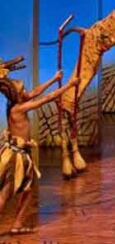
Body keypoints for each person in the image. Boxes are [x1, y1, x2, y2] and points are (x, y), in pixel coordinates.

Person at [0, 68, 79, 234]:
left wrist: (54, 78)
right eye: (23, 90)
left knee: (28, 190)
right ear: (17, 96)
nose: (27, 91)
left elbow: (36, 92)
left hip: (21, 154)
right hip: (16, 157)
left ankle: (17, 225)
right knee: (5, 194)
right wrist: (69, 85)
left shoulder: (16, 103)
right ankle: (16, 224)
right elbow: (46, 98)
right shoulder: (18, 109)